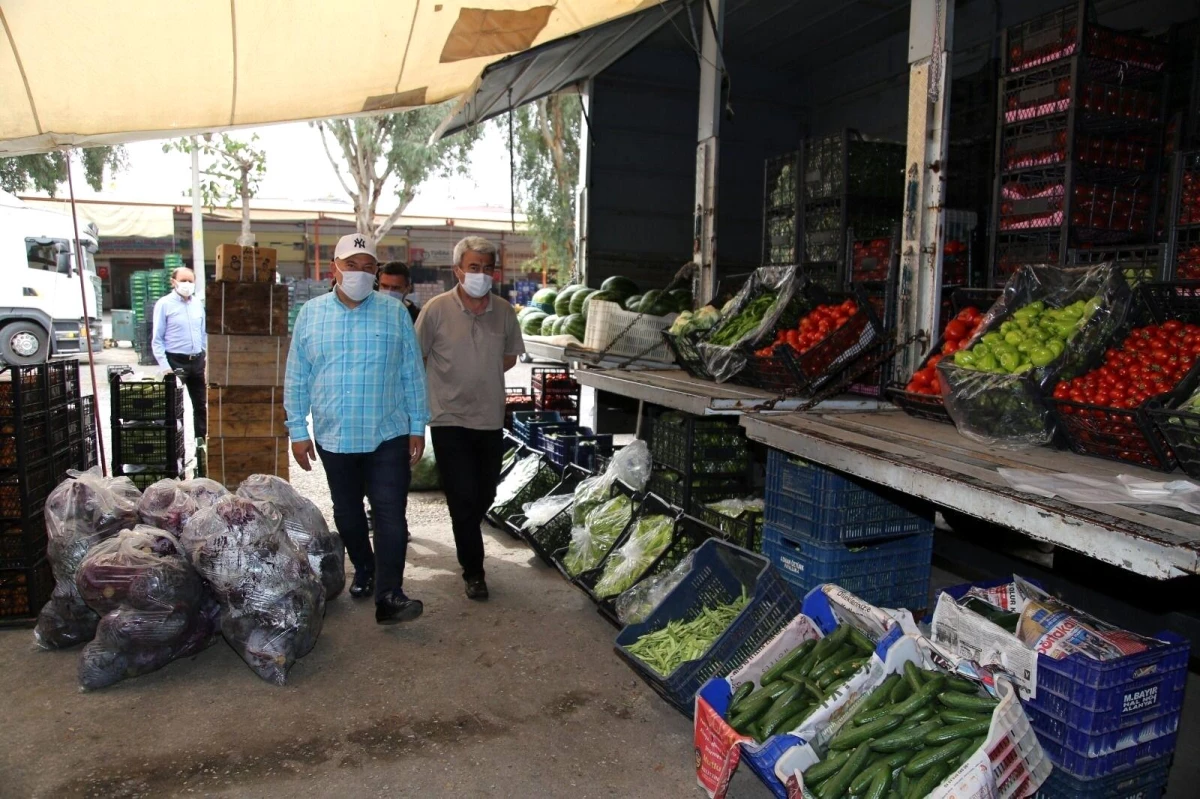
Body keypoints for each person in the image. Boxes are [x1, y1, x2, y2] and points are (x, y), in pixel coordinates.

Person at [284, 233, 429, 625]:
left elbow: (412, 373)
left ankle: (390, 595)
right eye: (352, 266)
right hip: (334, 435)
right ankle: (364, 568)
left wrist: (418, 426)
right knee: (347, 514)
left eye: (369, 268)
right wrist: (297, 429)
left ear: (377, 273)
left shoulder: (394, 313)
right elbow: (297, 376)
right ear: (334, 268)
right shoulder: (311, 314)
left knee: (390, 514)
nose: (360, 274)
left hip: (387, 432)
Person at [415, 236, 524, 601]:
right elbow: (419, 356)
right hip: (448, 418)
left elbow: (508, 357)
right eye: (473, 267)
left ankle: (468, 529)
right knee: (462, 496)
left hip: (490, 417)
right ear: (458, 270)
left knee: (485, 492)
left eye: (486, 268)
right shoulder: (435, 310)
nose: (480, 274)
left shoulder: (505, 312)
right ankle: (473, 570)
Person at [151, 267, 207, 441]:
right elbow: (157, 339)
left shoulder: (197, 304)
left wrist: (203, 354)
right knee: (173, 407)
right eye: (183, 280)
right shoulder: (164, 304)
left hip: (196, 361)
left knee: (200, 405)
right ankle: (174, 446)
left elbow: (203, 332)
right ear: (173, 281)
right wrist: (166, 367)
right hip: (175, 361)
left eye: (190, 281)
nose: (187, 284)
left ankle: (201, 444)